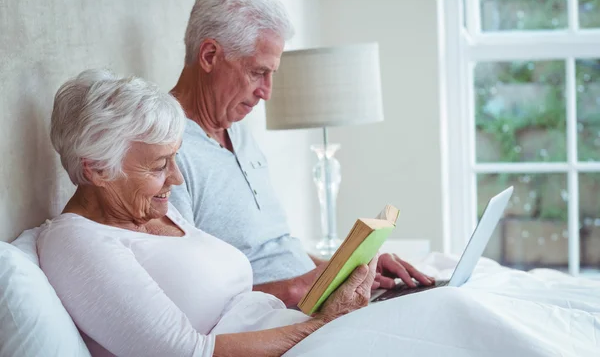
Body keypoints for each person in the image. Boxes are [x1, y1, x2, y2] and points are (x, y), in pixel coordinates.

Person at [37, 69, 377, 357]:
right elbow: (185, 351)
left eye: (174, 158)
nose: (177, 177)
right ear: (96, 169)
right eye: (159, 166)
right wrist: (323, 327)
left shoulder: (151, 211)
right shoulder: (75, 242)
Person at [169, 0, 435, 306]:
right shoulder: (165, 151)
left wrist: (346, 271)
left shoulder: (238, 131)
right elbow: (184, 297)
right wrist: (297, 291)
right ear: (210, 55)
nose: (267, 92)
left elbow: (274, 248)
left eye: (272, 74)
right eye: (257, 72)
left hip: (312, 302)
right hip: (275, 322)